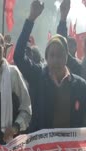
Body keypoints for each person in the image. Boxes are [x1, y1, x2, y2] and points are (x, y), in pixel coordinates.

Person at [14, 0, 86, 131]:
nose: (56, 60)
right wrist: (31, 18)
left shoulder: (80, 85)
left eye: (60, 55)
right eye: (51, 55)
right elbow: (18, 56)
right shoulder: (37, 76)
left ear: (66, 58)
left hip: (70, 150)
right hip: (41, 149)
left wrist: (63, 18)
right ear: (46, 58)